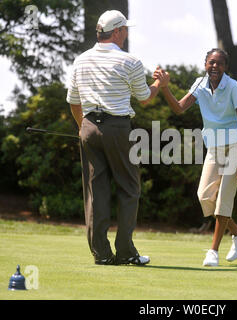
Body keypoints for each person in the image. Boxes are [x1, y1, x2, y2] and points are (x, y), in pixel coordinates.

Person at [66, 10, 168, 265]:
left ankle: (101, 254)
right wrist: (161, 84)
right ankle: (125, 252)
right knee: (129, 188)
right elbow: (145, 98)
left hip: (89, 127)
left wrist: (82, 128)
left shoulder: (80, 60)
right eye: (125, 30)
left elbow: (73, 102)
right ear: (118, 32)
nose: (126, 34)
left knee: (95, 191)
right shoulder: (130, 61)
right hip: (118, 128)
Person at [154, 48, 237, 266]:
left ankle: (213, 251)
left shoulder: (234, 87)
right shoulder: (200, 84)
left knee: (224, 198)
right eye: (211, 63)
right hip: (214, 146)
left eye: (219, 63)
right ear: (205, 64)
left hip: (236, 144)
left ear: (225, 67)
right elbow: (180, 108)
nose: (214, 66)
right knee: (204, 196)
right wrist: (165, 88)